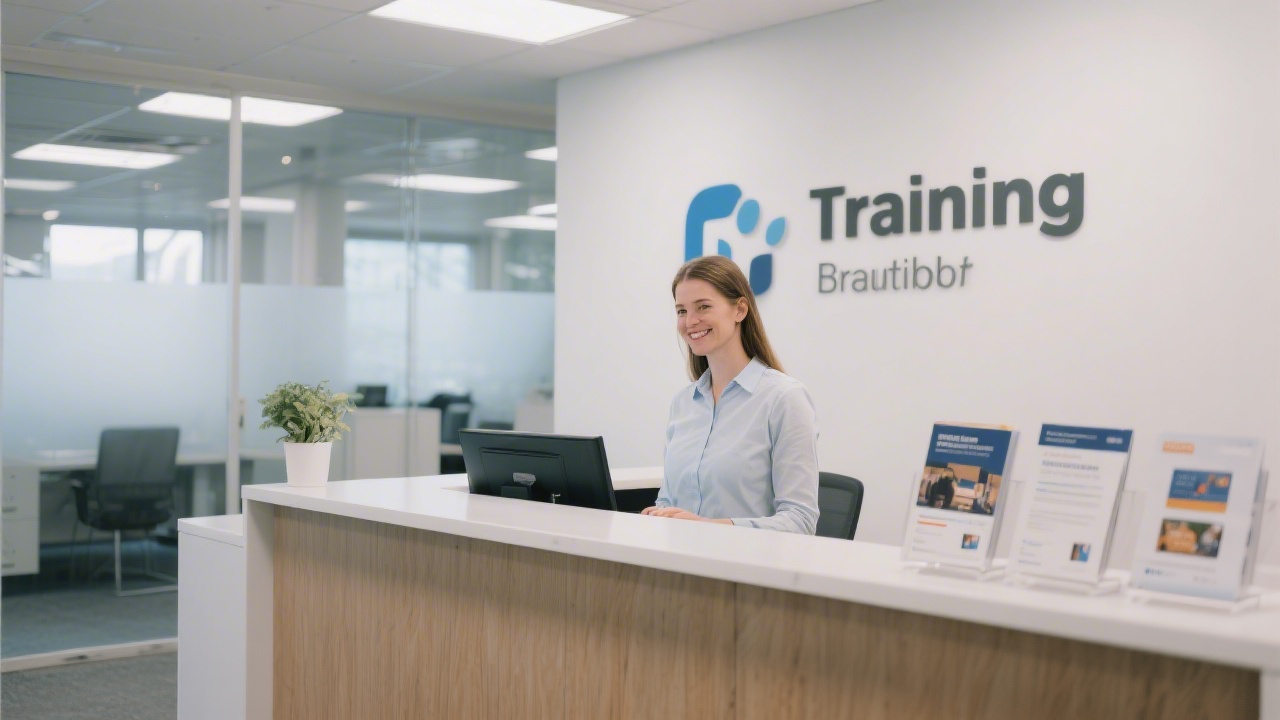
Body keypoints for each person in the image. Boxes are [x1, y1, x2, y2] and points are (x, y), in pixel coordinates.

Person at [641, 256, 820, 534]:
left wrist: (709, 527)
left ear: (739, 310)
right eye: (681, 311)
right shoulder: (683, 403)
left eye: (703, 307)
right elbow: (668, 499)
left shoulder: (784, 398)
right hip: (681, 567)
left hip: (747, 569)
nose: (690, 321)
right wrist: (659, 514)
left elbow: (800, 521)